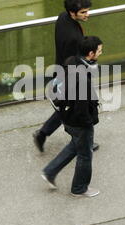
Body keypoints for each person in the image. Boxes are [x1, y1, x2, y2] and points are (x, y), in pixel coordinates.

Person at [33, 0, 99, 153]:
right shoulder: (73, 39)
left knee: (66, 107)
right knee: (79, 109)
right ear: (72, 12)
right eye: (83, 12)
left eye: (87, 10)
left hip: (61, 71)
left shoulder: (63, 18)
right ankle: (80, 141)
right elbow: (73, 62)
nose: (87, 15)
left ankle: (43, 134)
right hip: (70, 76)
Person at [41, 36, 103, 197]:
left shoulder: (71, 61)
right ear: (90, 53)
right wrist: (89, 122)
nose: (101, 53)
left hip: (66, 116)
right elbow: (82, 108)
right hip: (79, 122)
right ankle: (79, 188)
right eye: (99, 51)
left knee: (75, 146)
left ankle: (50, 172)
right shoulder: (82, 78)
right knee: (85, 155)